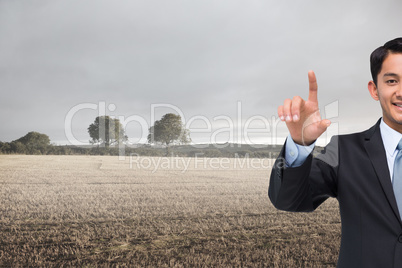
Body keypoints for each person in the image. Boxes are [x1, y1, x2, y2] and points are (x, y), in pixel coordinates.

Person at [268, 37, 402, 267]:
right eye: (392, 81)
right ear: (374, 89)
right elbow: (288, 200)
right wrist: (300, 144)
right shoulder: (344, 150)